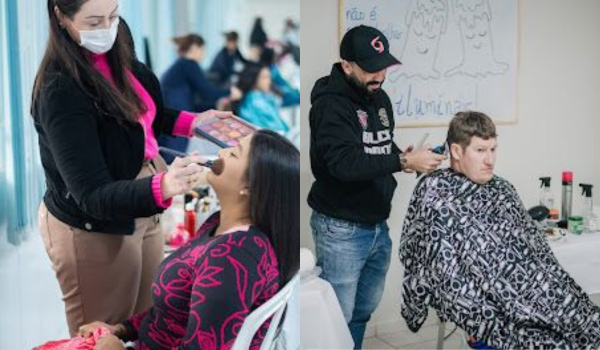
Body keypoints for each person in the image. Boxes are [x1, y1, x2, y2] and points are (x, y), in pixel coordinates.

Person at [31, 0, 231, 336]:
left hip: (142, 203)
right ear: (61, 16)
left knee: (144, 322)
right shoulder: (60, 91)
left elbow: (140, 109)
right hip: (93, 223)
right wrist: (163, 187)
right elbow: (92, 195)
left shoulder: (115, 37)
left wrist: (194, 123)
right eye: (94, 21)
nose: (107, 29)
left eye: (113, 15)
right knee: (103, 334)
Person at [77, 130, 300, 350]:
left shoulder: (233, 258)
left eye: (234, 154)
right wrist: (120, 329)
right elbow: (172, 309)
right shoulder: (219, 224)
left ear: (250, 187)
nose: (222, 151)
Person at [399, 111, 600, 349]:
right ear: (455, 151)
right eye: (480, 150)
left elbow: (537, 253)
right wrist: (480, 313)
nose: (490, 160)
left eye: (493, 149)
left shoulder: (502, 188)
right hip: (491, 308)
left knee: (586, 322)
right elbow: (438, 266)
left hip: (538, 293)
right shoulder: (436, 193)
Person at [308, 25, 447, 348]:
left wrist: (403, 156)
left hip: (376, 226)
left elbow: (378, 147)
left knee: (361, 313)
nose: (379, 75)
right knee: (335, 318)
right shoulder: (330, 105)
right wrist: (401, 163)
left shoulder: (379, 98)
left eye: (383, 66)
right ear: (347, 65)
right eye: (370, 68)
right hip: (340, 229)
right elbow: (343, 164)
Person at [159, 33, 242, 157]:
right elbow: (207, 92)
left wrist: (215, 103)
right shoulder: (188, 64)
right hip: (177, 120)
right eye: (202, 50)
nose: (203, 54)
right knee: (172, 158)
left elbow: (195, 100)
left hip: (172, 117)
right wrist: (230, 92)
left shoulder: (179, 65)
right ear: (195, 47)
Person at [236, 63, 289, 133]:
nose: (269, 81)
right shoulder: (256, 103)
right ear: (254, 78)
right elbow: (277, 130)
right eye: (264, 77)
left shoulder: (261, 98)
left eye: (269, 77)